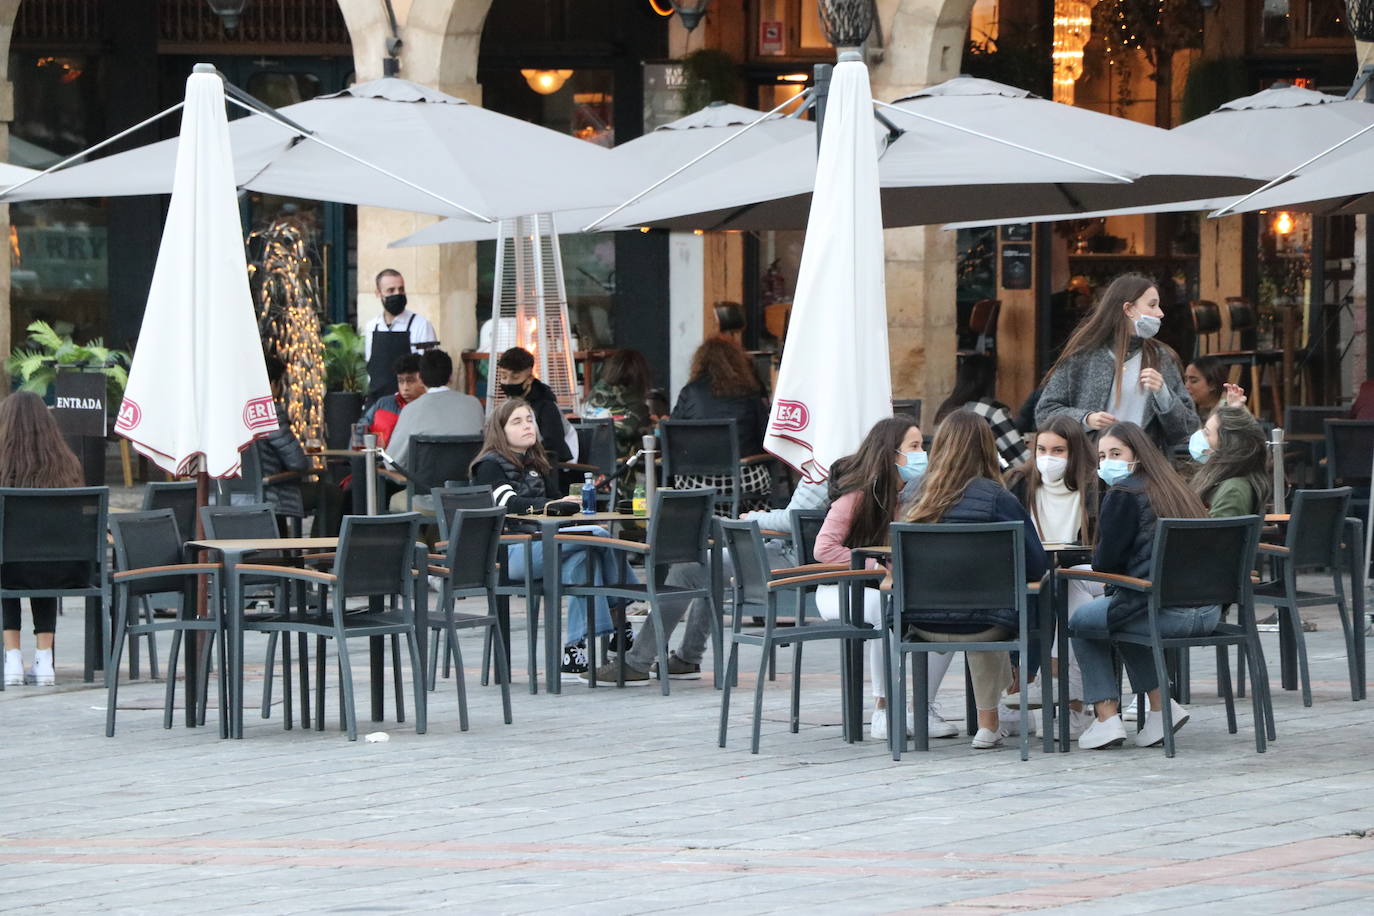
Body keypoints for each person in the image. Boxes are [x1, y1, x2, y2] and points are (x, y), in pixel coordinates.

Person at [902, 410, 1047, 750]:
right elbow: (1037, 564)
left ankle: (931, 715)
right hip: (986, 625)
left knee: (981, 604)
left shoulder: (912, 494)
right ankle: (999, 712)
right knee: (997, 604)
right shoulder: (999, 498)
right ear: (986, 448)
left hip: (921, 621)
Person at [1070, 421, 1213, 750]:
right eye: (1102, 456)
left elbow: (1105, 564)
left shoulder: (1124, 494)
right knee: (1119, 615)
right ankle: (1163, 709)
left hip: (1164, 610)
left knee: (1082, 622)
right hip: (1207, 610)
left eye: (1116, 454)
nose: (1107, 463)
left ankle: (1106, 717)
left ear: (1138, 454)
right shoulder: (1177, 489)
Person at [813, 417, 955, 741]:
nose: (921, 454)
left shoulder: (914, 495)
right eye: (913, 447)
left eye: (922, 446)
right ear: (891, 454)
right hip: (842, 589)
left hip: (895, 588)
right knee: (883, 608)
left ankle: (922, 708)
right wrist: (876, 565)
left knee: (948, 612)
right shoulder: (858, 496)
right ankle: (884, 708)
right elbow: (823, 548)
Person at [470, 399, 637, 675]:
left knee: (584, 560)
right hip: (509, 551)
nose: (527, 426)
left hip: (543, 544)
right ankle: (621, 617)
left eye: (529, 420)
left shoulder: (536, 463)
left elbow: (555, 502)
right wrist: (552, 505)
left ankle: (574, 652)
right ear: (500, 430)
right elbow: (508, 504)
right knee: (597, 536)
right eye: (517, 422)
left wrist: (568, 505)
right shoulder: (488, 465)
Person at [1004, 415, 1100, 738]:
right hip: (1032, 575)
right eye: (1042, 450)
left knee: (1068, 584)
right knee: (1058, 591)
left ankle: (1057, 694)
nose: (1048, 458)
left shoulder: (1094, 487)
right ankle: (1068, 701)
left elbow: (1098, 548)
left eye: (1058, 450)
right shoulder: (1018, 482)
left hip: (1084, 571)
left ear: (1075, 452)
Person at [1035, 272, 1198, 451]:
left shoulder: (1162, 358)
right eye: (1152, 305)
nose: (1160, 313)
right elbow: (1045, 413)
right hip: (1091, 462)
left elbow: (1187, 430)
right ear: (1128, 309)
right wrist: (1086, 419)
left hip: (1146, 464)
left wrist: (1164, 395)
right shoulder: (1083, 357)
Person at [0, 391, 84, 686]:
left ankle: (12, 658)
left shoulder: (2, 467)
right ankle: (44, 659)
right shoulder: (67, 464)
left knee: (7, 560)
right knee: (42, 560)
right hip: (66, 570)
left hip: (9, 569)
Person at [671, 336, 771, 509]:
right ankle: (750, 520)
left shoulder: (689, 392)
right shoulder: (749, 394)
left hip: (695, 481)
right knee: (762, 477)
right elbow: (766, 438)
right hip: (743, 479)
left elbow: (674, 435)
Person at [384, 348, 484, 473]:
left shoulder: (411, 409)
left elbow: (393, 462)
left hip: (423, 485)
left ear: (420, 378)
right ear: (451, 377)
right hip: (468, 483)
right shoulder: (474, 405)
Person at [934, 353, 1030, 468]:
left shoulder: (946, 408)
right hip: (979, 477)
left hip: (943, 475)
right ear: (991, 380)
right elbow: (1022, 460)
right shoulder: (992, 412)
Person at [362, 269, 437, 404]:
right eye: (391, 290)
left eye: (401, 289)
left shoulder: (420, 325)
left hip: (410, 404)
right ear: (378, 293)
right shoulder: (372, 326)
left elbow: (429, 372)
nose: (397, 294)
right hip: (378, 403)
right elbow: (370, 366)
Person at [1190, 404, 1270, 518]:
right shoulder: (1224, 482)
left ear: (1227, 445)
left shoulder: (1233, 490)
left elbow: (1218, 529)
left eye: (1207, 433)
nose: (1201, 436)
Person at [496, 347, 573, 463]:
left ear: (529, 379)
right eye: (503, 376)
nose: (507, 382)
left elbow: (553, 448)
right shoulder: (505, 405)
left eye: (515, 377)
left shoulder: (547, 407)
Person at [583, 348, 652, 459]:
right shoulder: (637, 408)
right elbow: (647, 444)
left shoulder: (592, 396)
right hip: (621, 465)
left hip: (588, 462)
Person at [358, 353, 426, 449]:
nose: (405, 388)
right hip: (378, 457)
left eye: (410, 381)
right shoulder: (383, 404)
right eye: (401, 381)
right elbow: (360, 428)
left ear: (424, 380)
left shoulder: (429, 408)